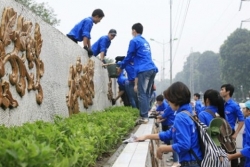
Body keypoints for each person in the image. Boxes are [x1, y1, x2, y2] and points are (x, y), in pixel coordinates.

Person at [136, 82, 202, 167]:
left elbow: (184, 145)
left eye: (169, 99)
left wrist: (162, 148)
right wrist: (147, 136)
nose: (168, 102)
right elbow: (170, 133)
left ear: (175, 99)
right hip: (195, 160)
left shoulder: (181, 117)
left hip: (191, 162)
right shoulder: (188, 112)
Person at [118, 23, 158, 124]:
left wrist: (121, 66)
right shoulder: (145, 42)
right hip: (152, 68)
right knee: (147, 93)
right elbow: (135, 57)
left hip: (144, 70)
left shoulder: (134, 40)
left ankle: (144, 117)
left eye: (132, 31)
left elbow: (129, 55)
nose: (132, 33)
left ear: (134, 31)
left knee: (142, 93)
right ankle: (146, 114)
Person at [220, 84, 245, 167]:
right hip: (220, 133)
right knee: (220, 154)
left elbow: (241, 120)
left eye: (222, 89)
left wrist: (236, 133)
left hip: (230, 133)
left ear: (228, 92)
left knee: (232, 154)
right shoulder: (220, 104)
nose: (220, 91)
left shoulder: (234, 105)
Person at [155, 95, 179, 167]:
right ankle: (174, 159)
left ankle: (176, 161)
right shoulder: (172, 107)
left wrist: (156, 117)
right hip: (171, 125)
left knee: (173, 143)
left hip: (171, 125)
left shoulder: (169, 107)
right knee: (172, 142)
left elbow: (164, 116)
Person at [227, 100, 250, 167]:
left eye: (244, 108)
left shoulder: (248, 120)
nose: (242, 110)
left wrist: (232, 156)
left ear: (249, 111)